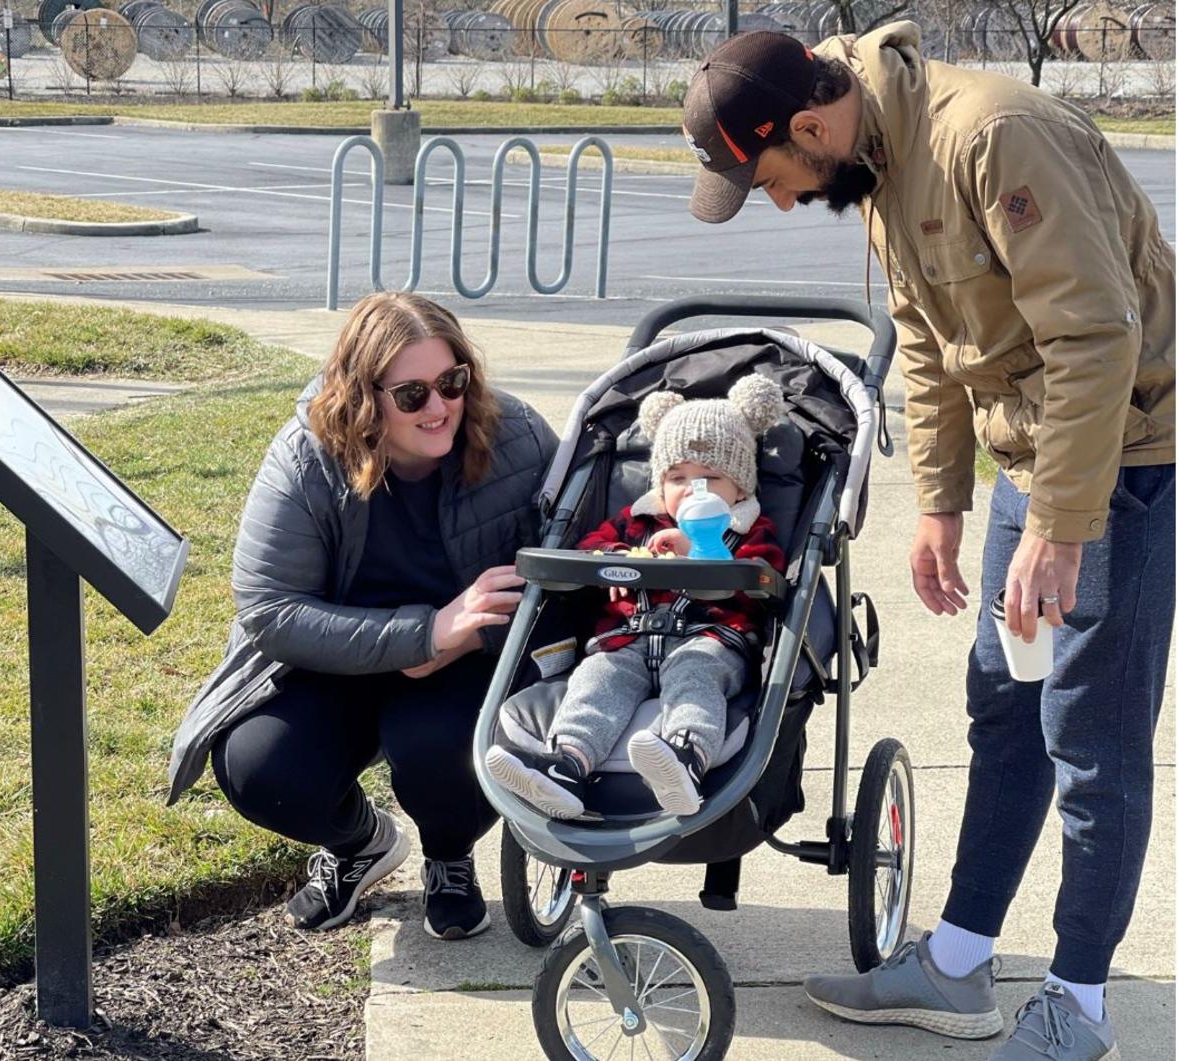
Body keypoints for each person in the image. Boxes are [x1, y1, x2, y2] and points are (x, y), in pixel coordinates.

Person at [681, 24, 1174, 1061]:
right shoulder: (879, 165)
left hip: (1125, 459)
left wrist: (1057, 526)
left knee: (1092, 741)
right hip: (1034, 460)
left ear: (810, 123)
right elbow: (924, 339)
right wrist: (943, 504)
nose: (776, 199)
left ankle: (1078, 1006)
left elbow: (1096, 336)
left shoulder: (994, 137)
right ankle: (957, 962)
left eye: (770, 176)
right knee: (1005, 708)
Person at [166, 292, 558, 941]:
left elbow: (574, 559)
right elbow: (268, 608)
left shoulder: (515, 435)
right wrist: (422, 633)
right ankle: (360, 843)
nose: (439, 408)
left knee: (444, 749)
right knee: (259, 766)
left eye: (452, 382)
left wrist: (467, 633)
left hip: (460, 664)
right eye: (412, 395)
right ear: (364, 395)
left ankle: (449, 855)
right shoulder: (306, 455)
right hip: (334, 659)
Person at [486, 376, 787, 818]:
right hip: (627, 639)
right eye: (677, 477)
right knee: (595, 681)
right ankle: (567, 765)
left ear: (740, 488)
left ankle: (685, 760)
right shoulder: (636, 521)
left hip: (711, 640)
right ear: (660, 482)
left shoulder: (748, 530)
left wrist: (701, 551)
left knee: (694, 676)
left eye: (709, 478)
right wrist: (618, 558)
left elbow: (765, 580)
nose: (691, 489)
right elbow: (588, 549)